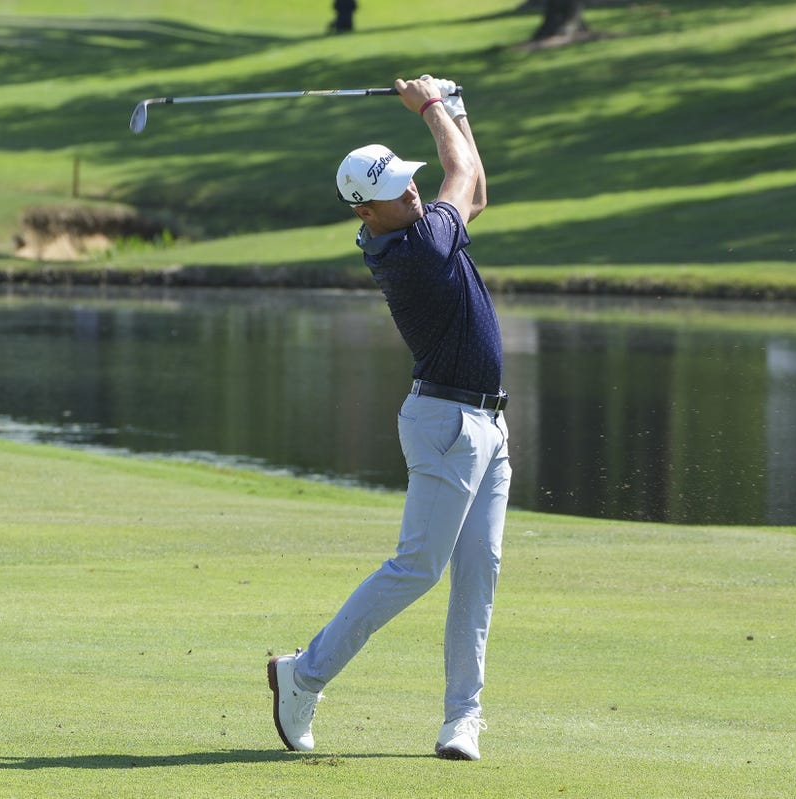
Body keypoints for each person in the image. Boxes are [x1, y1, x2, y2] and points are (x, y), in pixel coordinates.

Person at [268, 75, 510, 762]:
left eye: (409, 181)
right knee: (417, 567)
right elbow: (459, 174)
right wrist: (431, 106)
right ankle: (303, 674)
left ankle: (462, 718)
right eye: (396, 191)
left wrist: (457, 108)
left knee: (479, 572)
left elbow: (475, 192)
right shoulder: (419, 249)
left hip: (489, 426)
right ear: (365, 211)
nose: (411, 191)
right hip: (447, 424)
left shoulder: (420, 227)